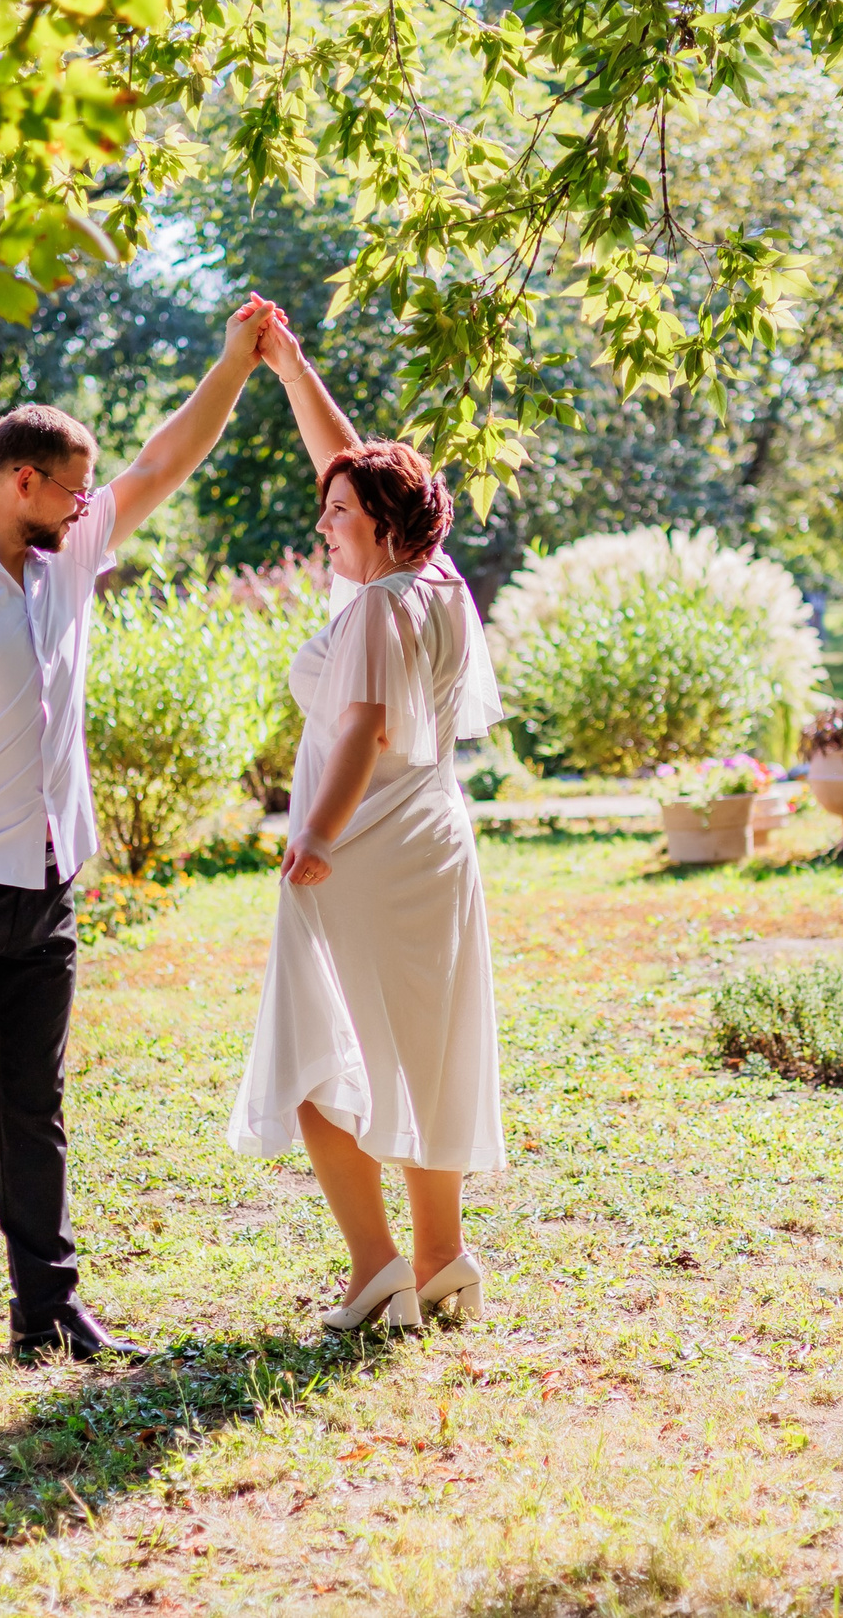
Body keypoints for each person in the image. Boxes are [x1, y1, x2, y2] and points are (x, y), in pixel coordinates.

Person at [0, 295, 279, 1399]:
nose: (92, 506)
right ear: (18, 481)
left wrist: (233, 364)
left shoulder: (68, 559)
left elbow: (167, 456)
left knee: (36, 1106)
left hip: (46, 888)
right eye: (75, 490)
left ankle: (49, 1311)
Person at [226, 311, 506, 1330]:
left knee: (311, 1057)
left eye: (336, 516)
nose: (322, 525)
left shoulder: (381, 607)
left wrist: (314, 838)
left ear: (383, 528)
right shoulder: (435, 582)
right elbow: (346, 463)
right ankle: (443, 1262)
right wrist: (292, 372)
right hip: (434, 845)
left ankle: (376, 1267)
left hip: (359, 856)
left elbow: (360, 731)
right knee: (426, 1051)